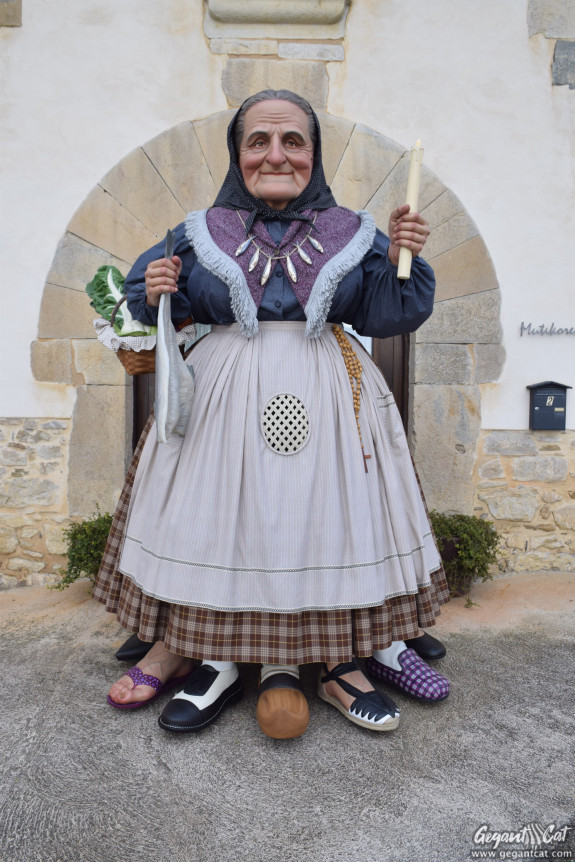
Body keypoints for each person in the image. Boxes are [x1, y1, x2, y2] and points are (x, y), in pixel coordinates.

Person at [94, 89, 450, 739]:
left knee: (333, 519)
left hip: (329, 388)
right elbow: (145, 303)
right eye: (257, 141)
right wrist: (151, 296)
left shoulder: (356, 233)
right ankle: (204, 653)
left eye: (293, 141)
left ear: (313, 155)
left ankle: (350, 658)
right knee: (212, 519)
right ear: (236, 155)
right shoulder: (196, 231)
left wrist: (404, 262)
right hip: (221, 400)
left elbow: (388, 312)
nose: (275, 154)